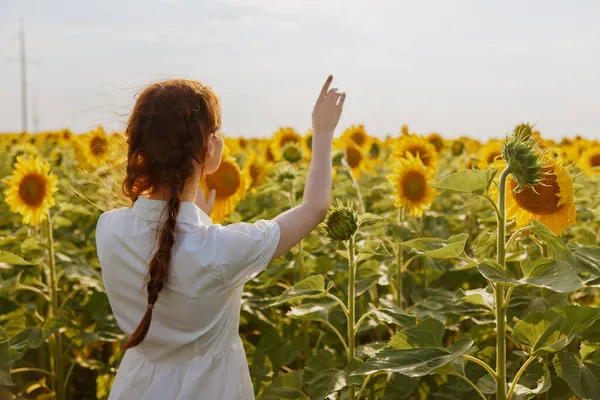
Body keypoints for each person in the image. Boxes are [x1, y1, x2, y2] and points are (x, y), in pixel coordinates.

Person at [95, 76, 345, 399]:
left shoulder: (108, 230)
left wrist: (193, 216)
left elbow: (169, 247)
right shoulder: (221, 251)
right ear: (209, 146)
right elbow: (314, 208)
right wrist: (323, 132)